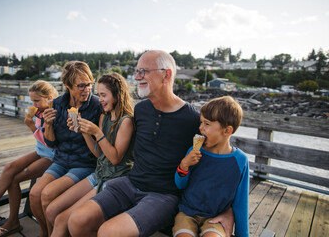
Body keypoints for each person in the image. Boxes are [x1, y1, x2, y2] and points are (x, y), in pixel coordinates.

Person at [66, 50, 234, 237]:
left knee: (108, 232)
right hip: (130, 183)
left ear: (167, 74)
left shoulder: (192, 119)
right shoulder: (140, 110)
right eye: (137, 71)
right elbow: (117, 138)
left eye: (143, 71)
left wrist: (228, 210)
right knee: (76, 220)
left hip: (163, 196)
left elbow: (219, 159)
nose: (137, 77)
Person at [46, 72, 135, 237]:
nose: (99, 99)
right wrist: (84, 132)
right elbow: (98, 153)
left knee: (66, 219)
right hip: (99, 174)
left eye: (103, 95)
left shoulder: (126, 121)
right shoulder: (104, 116)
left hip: (114, 179)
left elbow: (115, 159)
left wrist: (96, 132)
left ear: (117, 94)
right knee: (53, 211)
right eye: (99, 94)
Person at [0, 80, 58, 237]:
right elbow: (40, 141)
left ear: (49, 97)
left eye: (37, 100)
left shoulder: (54, 112)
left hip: (52, 156)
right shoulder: (38, 112)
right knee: (9, 168)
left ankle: (12, 222)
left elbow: (51, 143)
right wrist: (33, 124)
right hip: (40, 151)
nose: (34, 104)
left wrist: (31, 127)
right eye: (32, 101)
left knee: (15, 179)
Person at [29, 61, 101, 237]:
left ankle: (57, 233)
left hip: (84, 163)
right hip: (61, 160)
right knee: (34, 193)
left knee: (47, 194)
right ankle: (45, 231)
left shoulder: (97, 106)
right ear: (68, 86)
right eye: (81, 85)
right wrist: (48, 124)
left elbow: (101, 146)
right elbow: (51, 143)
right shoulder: (58, 104)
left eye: (89, 84)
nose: (87, 89)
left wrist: (86, 129)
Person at [173, 96, 249, 237]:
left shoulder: (240, 161)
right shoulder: (194, 151)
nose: (201, 128)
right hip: (187, 213)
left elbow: (241, 203)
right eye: (201, 122)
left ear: (227, 131)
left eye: (207, 124)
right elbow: (180, 184)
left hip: (216, 218)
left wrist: (242, 234)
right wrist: (184, 165)